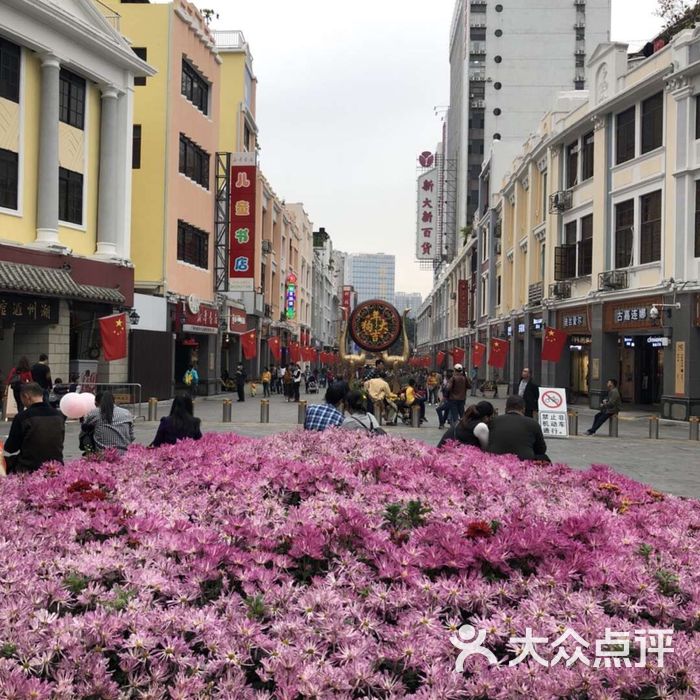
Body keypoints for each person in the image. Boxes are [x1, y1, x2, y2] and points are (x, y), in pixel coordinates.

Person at [4, 383, 65, 473]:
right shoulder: (59, 415)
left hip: (29, 466)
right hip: (56, 465)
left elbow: (11, 448)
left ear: (26, 396)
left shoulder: (23, 417)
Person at [488, 394, 549, 462]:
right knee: (544, 458)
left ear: (506, 409)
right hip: (524, 462)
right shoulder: (533, 423)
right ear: (523, 409)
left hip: (495, 461)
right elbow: (541, 449)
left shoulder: (494, 421)